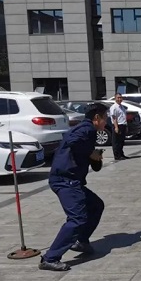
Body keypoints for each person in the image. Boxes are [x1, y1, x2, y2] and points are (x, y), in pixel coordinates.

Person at [39, 103, 107, 271]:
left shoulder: (86, 130)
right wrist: (90, 153)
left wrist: (93, 157)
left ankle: (81, 241)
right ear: (96, 117)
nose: (106, 121)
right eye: (105, 118)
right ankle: (50, 258)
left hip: (71, 180)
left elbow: (78, 149)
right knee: (77, 218)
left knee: (96, 205)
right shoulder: (87, 129)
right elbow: (72, 141)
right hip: (65, 180)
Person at [109, 93, 128, 160]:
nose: (119, 99)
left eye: (120, 97)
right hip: (117, 125)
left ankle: (121, 154)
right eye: (118, 98)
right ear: (115, 98)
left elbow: (123, 117)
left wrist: (126, 126)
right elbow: (114, 118)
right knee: (116, 141)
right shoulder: (114, 107)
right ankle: (117, 156)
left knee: (121, 141)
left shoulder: (122, 107)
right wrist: (116, 127)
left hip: (123, 125)